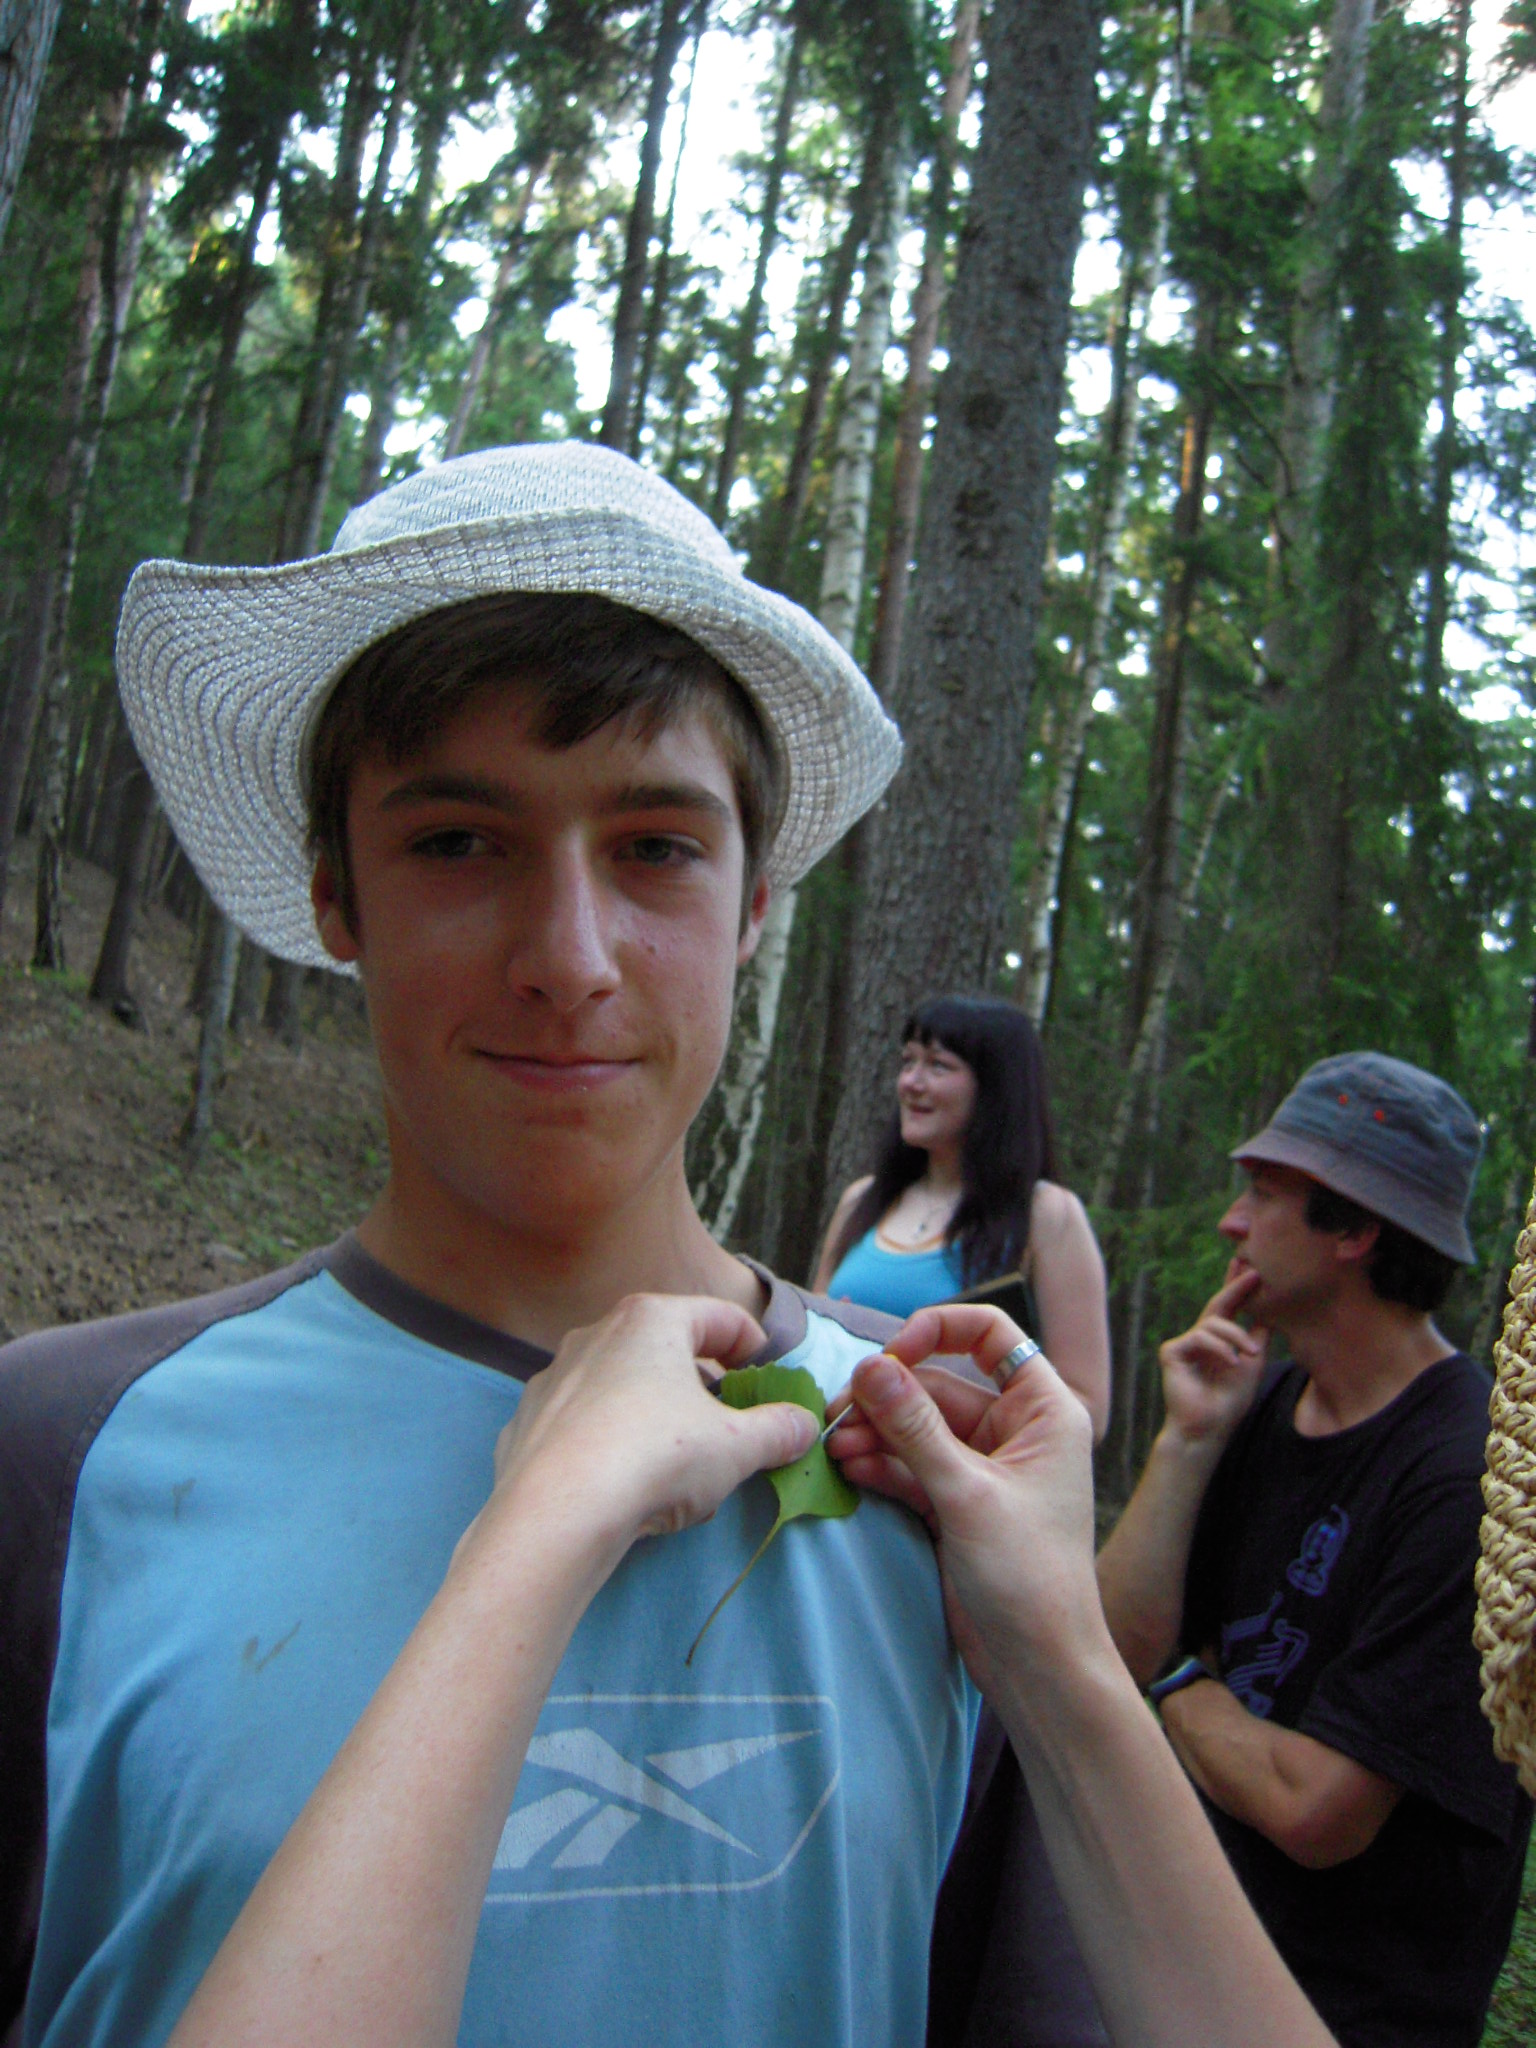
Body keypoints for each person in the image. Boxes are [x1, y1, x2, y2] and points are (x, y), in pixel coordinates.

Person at [0, 442, 1334, 2048]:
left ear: (757, 902)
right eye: (458, 842)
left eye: (655, 847)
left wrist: (1061, 1654)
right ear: (336, 895)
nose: (569, 959)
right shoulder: (62, 1461)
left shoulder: (938, 1477)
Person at [1097, 1051, 1535, 2048]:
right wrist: (1186, 1440)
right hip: (1188, 1971)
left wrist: (1181, 1686)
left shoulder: (1465, 1478)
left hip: (1349, 2017)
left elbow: (1317, 1811)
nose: (1231, 1221)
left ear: (1354, 1229)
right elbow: (1112, 1649)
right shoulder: (1259, 1404)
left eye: (1263, 1191)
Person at [814, 994, 1110, 1441]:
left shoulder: (1047, 1214)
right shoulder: (862, 1200)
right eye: (908, 1061)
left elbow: (1087, 1409)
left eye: (938, 1065)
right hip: (830, 1460)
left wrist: (953, 1403)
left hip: (950, 1476)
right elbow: (809, 1336)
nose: (910, 1082)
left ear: (995, 1086)